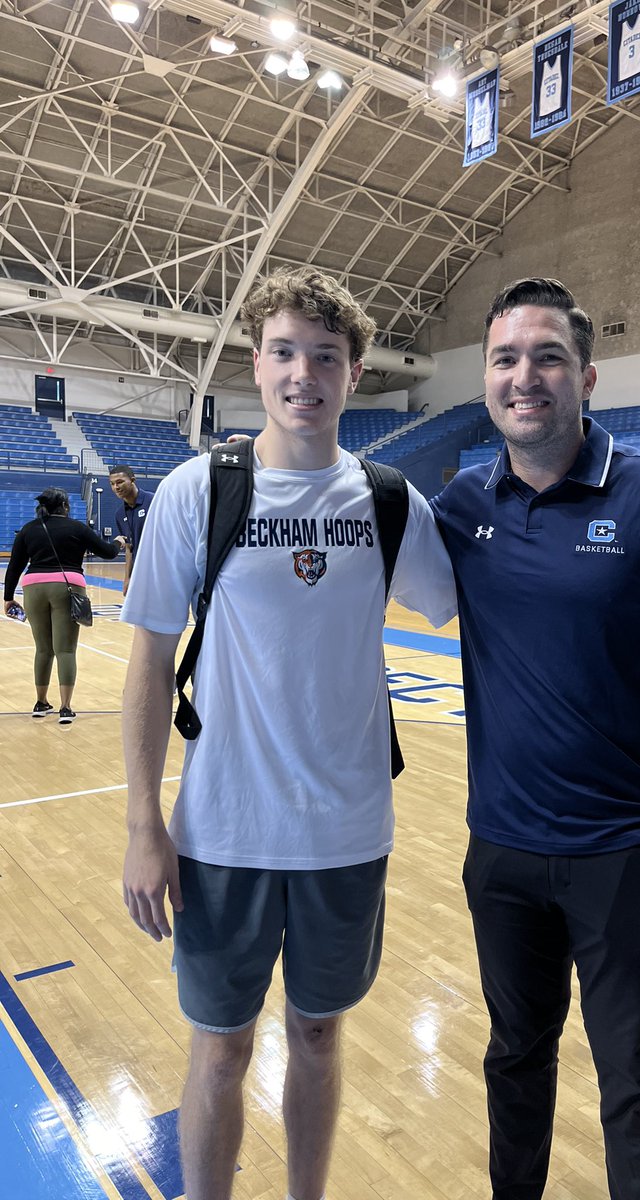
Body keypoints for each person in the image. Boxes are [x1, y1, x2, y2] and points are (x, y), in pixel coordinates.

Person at [120, 266, 456, 1200]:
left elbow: (474, 606)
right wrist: (145, 824)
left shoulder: (390, 502)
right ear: (256, 364)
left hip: (347, 833)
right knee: (221, 1046)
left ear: (354, 374)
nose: (304, 374)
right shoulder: (198, 490)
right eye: (284, 353)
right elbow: (149, 664)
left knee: (316, 1033)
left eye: (326, 357)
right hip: (222, 833)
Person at [431, 278, 640, 1200]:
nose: (524, 376)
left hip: (628, 855)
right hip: (501, 851)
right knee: (513, 1059)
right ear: (486, 378)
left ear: (587, 376)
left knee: (635, 1085)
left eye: (548, 357)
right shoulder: (461, 503)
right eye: (505, 359)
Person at [3, 487, 119, 723]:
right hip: (68, 586)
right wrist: (118, 542)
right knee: (65, 649)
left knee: (43, 649)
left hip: (33, 587)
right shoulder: (76, 528)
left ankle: (40, 703)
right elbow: (108, 552)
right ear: (65, 506)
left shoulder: (28, 529)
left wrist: (8, 598)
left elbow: (14, 566)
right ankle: (65, 708)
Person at [108, 463, 154, 597]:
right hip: (139, 573)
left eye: (120, 482)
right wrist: (127, 578)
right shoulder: (119, 514)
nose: (116, 487)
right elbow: (129, 547)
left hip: (160, 569)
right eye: (112, 484)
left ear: (132, 480)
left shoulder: (153, 501)